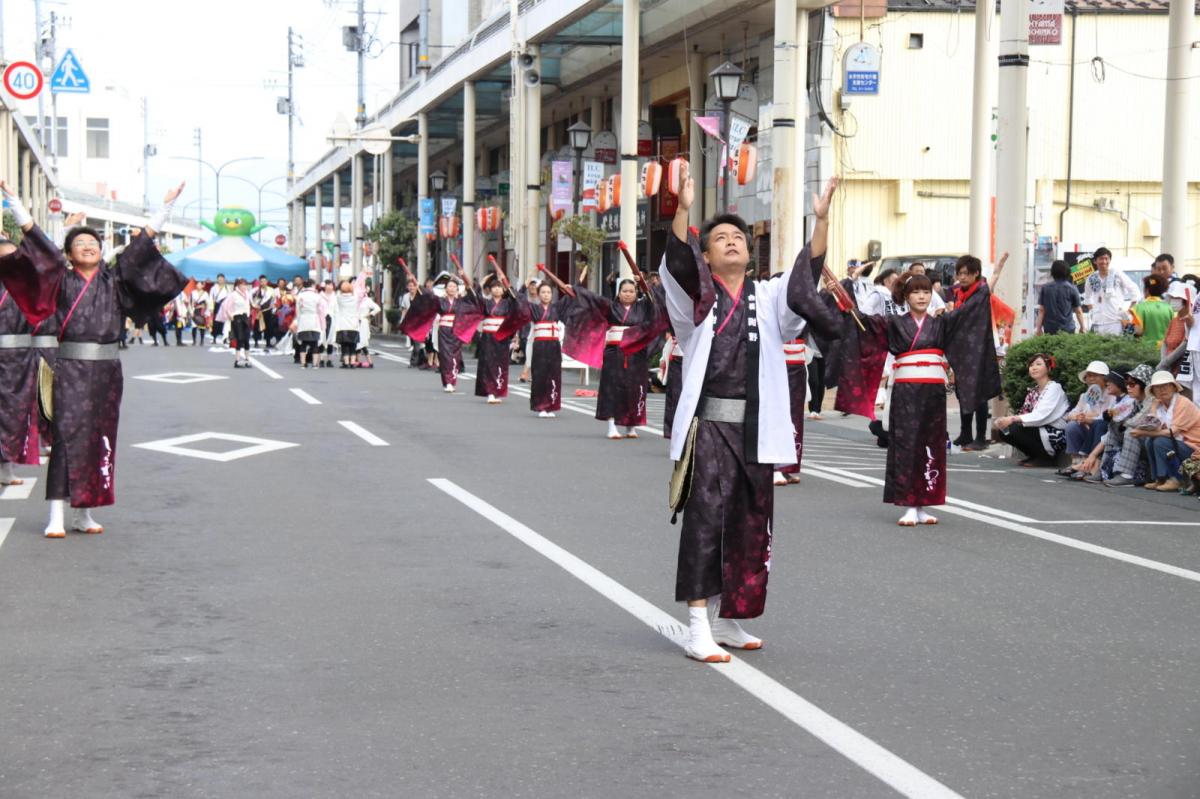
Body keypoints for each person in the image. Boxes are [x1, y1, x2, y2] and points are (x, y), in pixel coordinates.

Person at [662, 161, 842, 663]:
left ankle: (728, 617)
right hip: (710, 428)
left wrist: (822, 222)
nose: (733, 241)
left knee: (748, 523)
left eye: (738, 236)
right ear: (706, 255)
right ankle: (698, 623)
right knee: (705, 522)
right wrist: (681, 211)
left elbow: (804, 282)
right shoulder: (694, 302)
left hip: (756, 430)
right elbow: (676, 265)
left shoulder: (767, 297)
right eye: (720, 237)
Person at [0, 181, 187, 538]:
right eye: (80, 244)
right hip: (68, 366)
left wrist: (164, 210)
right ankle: (56, 512)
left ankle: (84, 512)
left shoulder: (114, 280)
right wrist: (15, 206)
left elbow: (139, 248)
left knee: (100, 437)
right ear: (68, 255)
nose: (88, 247)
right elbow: (40, 246)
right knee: (66, 437)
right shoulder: (60, 281)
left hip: (107, 369)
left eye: (93, 244)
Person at [843, 269, 999, 525]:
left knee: (932, 444)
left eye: (926, 291)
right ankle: (908, 504)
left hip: (933, 391)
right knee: (907, 444)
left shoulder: (941, 323)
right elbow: (864, 323)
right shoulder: (894, 323)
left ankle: (925, 502)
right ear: (906, 296)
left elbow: (968, 313)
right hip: (906, 390)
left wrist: (985, 288)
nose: (922, 296)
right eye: (916, 291)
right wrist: (845, 297)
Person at [566, 276, 657, 439]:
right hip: (614, 353)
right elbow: (593, 300)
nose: (628, 294)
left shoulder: (644, 307)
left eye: (631, 291)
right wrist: (576, 291)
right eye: (624, 291)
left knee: (634, 388)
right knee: (612, 387)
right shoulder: (610, 307)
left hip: (636, 353)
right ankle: (612, 425)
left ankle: (631, 426)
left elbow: (654, 301)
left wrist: (644, 284)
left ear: (636, 293)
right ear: (618, 293)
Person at [948, 254, 1006, 451]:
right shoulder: (957, 293)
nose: (962, 277)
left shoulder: (981, 290)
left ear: (976, 274)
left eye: (967, 273)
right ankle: (966, 434)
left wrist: (999, 266)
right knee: (963, 390)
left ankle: (980, 437)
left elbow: (994, 277)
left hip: (980, 347)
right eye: (960, 273)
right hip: (962, 348)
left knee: (979, 392)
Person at [0, 235, 40, 488]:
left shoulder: (28, 285)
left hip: (19, 359)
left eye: (13, 257)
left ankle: (6, 465)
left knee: (13, 413)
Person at [458, 274, 529, 403]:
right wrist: (480, 283)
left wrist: (524, 285)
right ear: (490, 290)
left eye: (499, 287)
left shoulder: (508, 303)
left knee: (501, 363)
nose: (497, 289)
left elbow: (518, 300)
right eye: (494, 287)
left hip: (501, 336)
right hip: (488, 337)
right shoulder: (486, 303)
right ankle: (490, 391)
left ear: (503, 290)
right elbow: (475, 297)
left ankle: (497, 390)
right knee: (488, 363)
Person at [1129, 371, 1200, 492]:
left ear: (1173, 387)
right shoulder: (1160, 404)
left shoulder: (1183, 403)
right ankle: (1160, 479)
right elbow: (1152, 426)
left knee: (1160, 441)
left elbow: (1172, 433)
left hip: (1194, 448)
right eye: (1158, 387)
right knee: (1150, 441)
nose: (1162, 390)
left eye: (1166, 386)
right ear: (1153, 391)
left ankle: (1175, 479)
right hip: (1180, 444)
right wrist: (1153, 408)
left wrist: (1144, 433)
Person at [1073, 366, 1146, 483]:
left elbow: (1136, 421)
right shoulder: (1130, 400)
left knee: (1111, 427)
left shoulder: (1138, 401)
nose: (1107, 384)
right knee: (1110, 426)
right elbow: (1109, 418)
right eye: (1127, 384)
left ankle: (1125, 475)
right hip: (1126, 438)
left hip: (1145, 439)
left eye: (1132, 384)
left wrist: (1119, 422)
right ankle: (1101, 469)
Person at [994, 353, 1070, 465]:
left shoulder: (1054, 388)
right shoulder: (1033, 391)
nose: (1034, 368)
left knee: (1014, 428)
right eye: (1031, 365)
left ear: (1048, 368)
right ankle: (1034, 455)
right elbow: (1024, 412)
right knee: (1005, 431)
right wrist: (1004, 421)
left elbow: (1041, 415)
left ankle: (1045, 458)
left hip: (1054, 432)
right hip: (1038, 427)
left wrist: (1012, 419)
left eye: (1038, 364)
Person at [1057, 360, 1115, 476]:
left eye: (1095, 375)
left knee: (1098, 425)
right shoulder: (1084, 396)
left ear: (1104, 378)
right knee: (1072, 426)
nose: (1091, 378)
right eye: (1088, 376)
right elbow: (1070, 415)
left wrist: (1088, 419)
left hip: (1101, 433)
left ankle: (1090, 465)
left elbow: (1105, 419)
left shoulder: (1111, 396)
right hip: (1085, 430)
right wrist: (1077, 416)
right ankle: (1076, 462)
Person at [524, 278, 570, 417]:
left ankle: (551, 405)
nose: (546, 295)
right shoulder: (533, 308)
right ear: (538, 294)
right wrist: (524, 287)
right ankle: (541, 406)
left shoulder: (556, 308)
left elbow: (570, 298)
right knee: (540, 375)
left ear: (552, 295)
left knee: (554, 374)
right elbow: (519, 299)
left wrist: (568, 289)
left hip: (554, 345)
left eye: (548, 292)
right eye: (543, 292)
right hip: (540, 345)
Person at [775, 334, 808, 486]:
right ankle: (774, 466)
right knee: (776, 412)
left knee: (794, 414)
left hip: (798, 359)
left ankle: (787, 465)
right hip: (775, 358)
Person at [1081, 247, 1140, 335]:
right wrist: (1093, 311)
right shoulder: (1091, 278)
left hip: (1115, 322)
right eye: (1101, 259)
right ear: (1095, 261)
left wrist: (1129, 311)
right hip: (1098, 323)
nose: (1104, 262)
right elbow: (1088, 298)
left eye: (1106, 259)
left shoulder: (1117, 274)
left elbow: (1135, 291)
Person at [1035, 260, 1084, 335]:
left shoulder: (1045, 288)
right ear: (1068, 272)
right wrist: (1082, 327)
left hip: (1050, 329)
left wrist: (1038, 329)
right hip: (1068, 329)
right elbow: (1078, 311)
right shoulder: (1072, 288)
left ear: (1053, 272)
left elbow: (1041, 310)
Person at [1131, 275, 1174, 348]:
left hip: (1147, 350)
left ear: (1147, 290)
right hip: (1166, 349)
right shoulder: (1170, 308)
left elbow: (1138, 331)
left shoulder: (1138, 308)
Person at [219, 277, 253, 368]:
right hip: (237, 316)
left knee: (247, 338)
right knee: (240, 338)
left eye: (245, 285)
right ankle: (237, 360)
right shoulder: (233, 294)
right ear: (238, 285)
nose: (244, 287)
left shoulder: (247, 294)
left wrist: (249, 315)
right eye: (242, 285)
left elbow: (249, 305)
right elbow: (225, 305)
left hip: (245, 316)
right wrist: (230, 314)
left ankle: (247, 359)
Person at [292, 279, 323, 368]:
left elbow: (298, 311)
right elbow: (320, 310)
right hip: (314, 321)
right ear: (313, 285)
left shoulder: (300, 296)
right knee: (315, 344)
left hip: (303, 321)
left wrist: (298, 321)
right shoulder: (317, 296)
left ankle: (303, 363)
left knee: (303, 344)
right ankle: (314, 364)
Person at [251, 276, 278, 351]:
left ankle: (268, 341)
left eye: (264, 281)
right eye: (261, 281)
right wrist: (255, 306)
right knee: (257, 326)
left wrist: (273, 307)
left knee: (269, 327)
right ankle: (256, 341)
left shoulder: (271, 290)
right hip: (258, 311)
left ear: (267, 282)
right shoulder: (255, 290)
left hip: (267, 310)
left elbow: (274, 300)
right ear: (259, 282)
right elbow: (251, 299)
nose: (263, 283)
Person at [209, 274, 230, 345]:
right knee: (216, 322)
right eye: (219, 279)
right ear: (217, 279)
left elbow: (230, 298)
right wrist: (211, 308)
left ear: (224, 279)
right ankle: (214, 337)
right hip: (217, 306)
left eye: (222, 279)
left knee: (226, 323)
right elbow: (210, 298)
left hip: (225, 306)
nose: (220, 280)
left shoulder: (227, 288)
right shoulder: (213, 288)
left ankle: (225, 337)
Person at [190, 280, 211, 346]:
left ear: (202, 286)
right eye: (197, 284)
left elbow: (208, 303)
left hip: (202, 311)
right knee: (194, 326)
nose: (198, 286)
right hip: (195, 310)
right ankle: (194, 340)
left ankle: (202, 340)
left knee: (202, 326)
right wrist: (191, 311)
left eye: (199, 284)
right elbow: (190, 303)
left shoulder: (205, 294)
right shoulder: (193, 293)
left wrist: (207, 312)